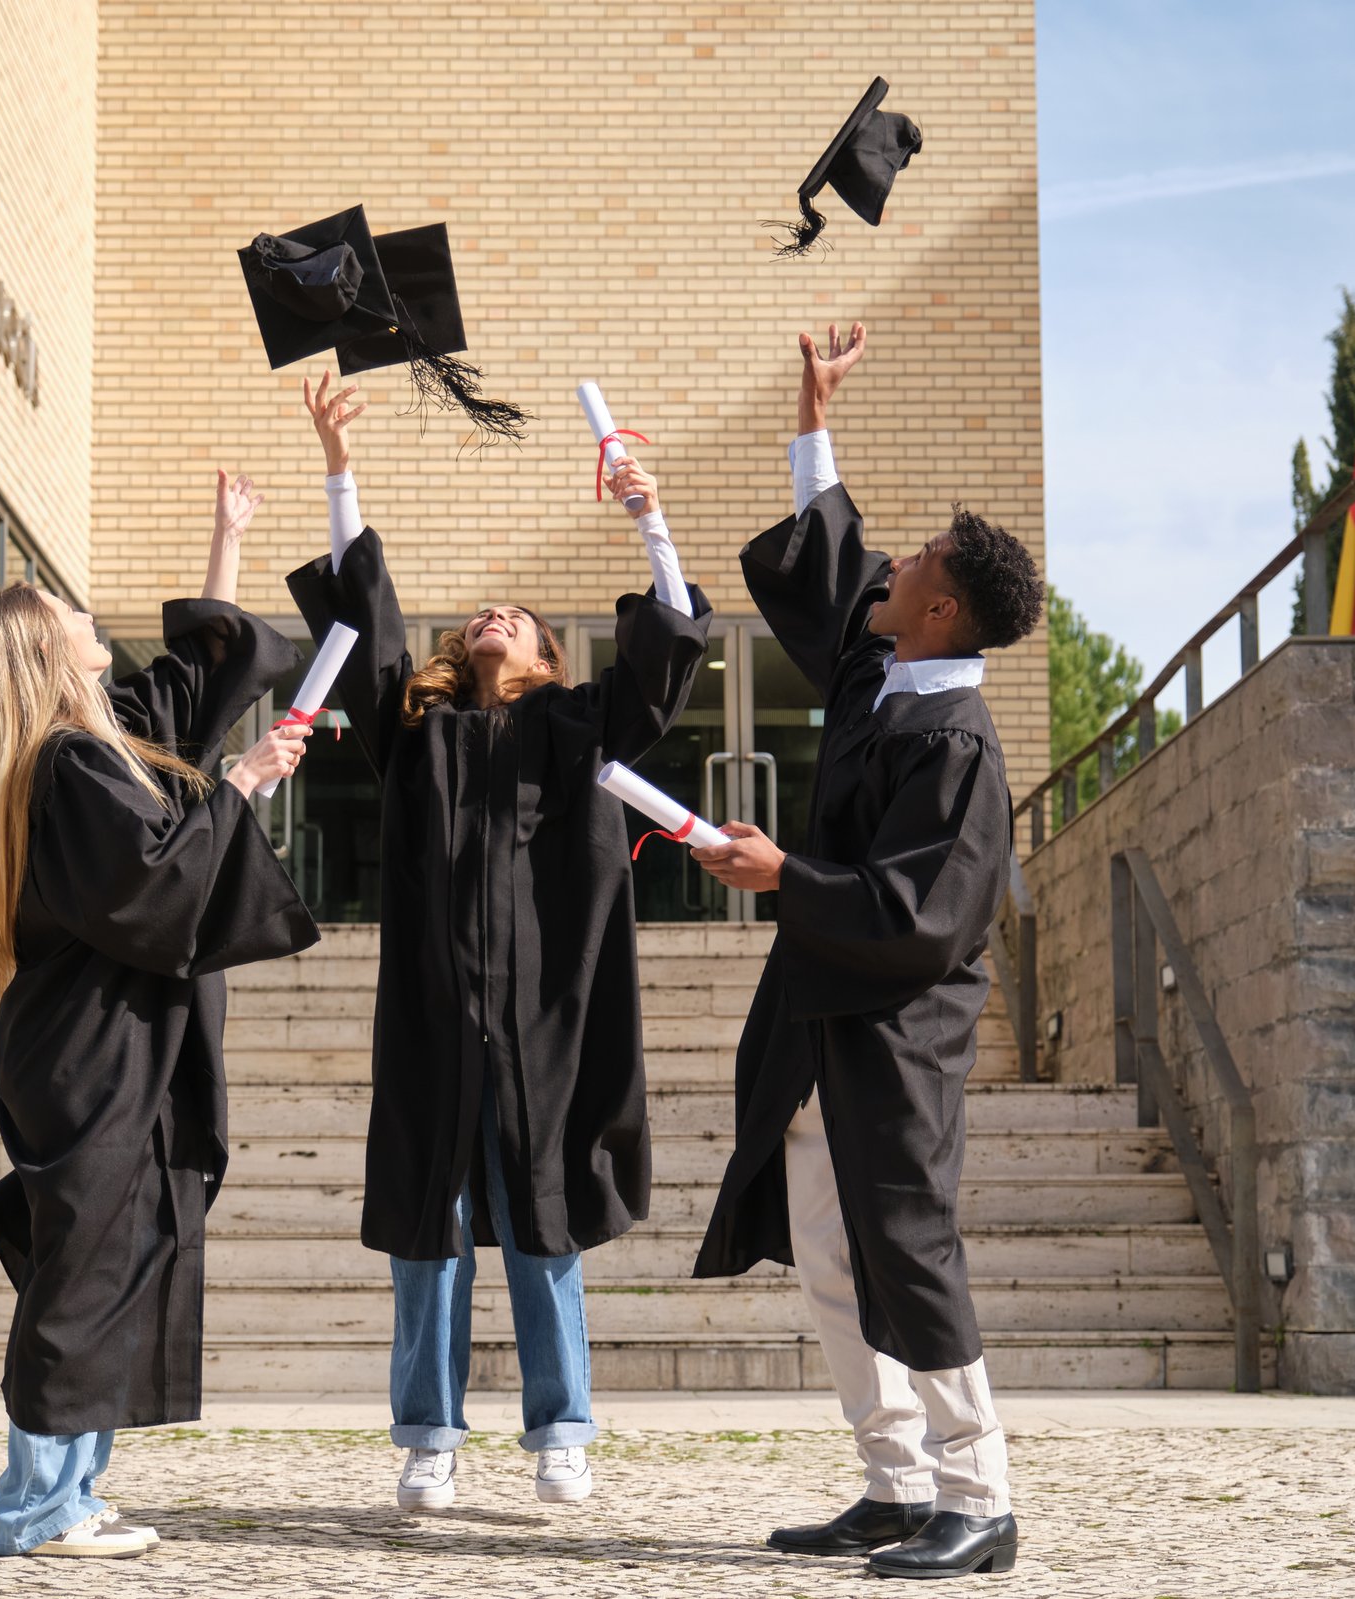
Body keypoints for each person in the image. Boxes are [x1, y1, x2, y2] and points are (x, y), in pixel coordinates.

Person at [285, 371, 711, 1512]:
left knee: (540, 1221)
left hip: (544, 1023)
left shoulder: (576, 727)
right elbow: (361, 630)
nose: (493, 615)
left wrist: (647, 514)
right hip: (434, 1019)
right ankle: (428, 1435)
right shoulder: (416, 736)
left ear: (546, 660)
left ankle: (561, 1428)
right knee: (432, 1231)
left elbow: (671, 652)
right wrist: (339, 470)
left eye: (515, 617)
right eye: (480, 612)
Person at [691, 323, 1044, 1580]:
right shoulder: (884, 679)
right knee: (835, 1258)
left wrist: (786, 873)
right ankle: (895, 1484)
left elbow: (926, 915)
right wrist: (809, 413)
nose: (890, 564)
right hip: (818, 1018)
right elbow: (836, 560)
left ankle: (980, 1494)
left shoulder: (956, 746)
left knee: (907, 1248)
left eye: (917, 563)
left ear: (941, 608)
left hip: (897, 1032)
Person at [0, 470, 319, 1559]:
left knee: (116, 1261)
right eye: (64, 609)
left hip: (113, 1042)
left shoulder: (88, 743)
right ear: (40, 651)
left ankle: (73, 1493)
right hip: (92, 1049)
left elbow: (189, 691)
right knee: (83, 1273)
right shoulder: (64, 767)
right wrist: (246, 783)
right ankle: (35, 1508)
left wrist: (226, 541)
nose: (84, 612)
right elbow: (152, 877)